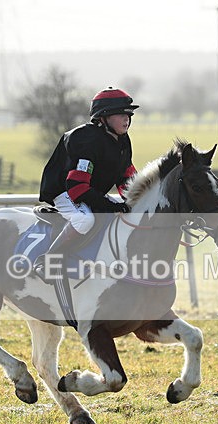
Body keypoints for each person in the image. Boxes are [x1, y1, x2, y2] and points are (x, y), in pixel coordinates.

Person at [34, 87, 138, 282]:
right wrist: (111, 206)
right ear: (103, 118)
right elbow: (77, 188)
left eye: (129, 115)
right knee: (85, 220)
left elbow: (127, 178)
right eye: (120, 114)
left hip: (89, 190)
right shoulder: (86, 139)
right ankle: (47, 262)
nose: (127, 119)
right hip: (65, 191)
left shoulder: (123, 141)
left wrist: (138, 202)